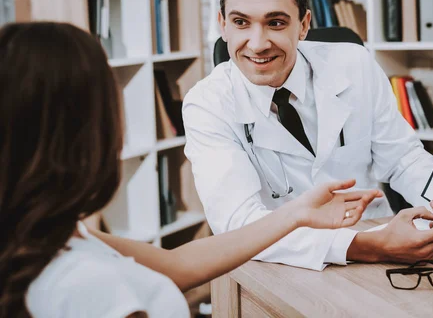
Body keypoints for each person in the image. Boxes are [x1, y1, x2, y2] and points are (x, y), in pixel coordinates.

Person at [0, 22, 381, 317]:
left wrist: (295, 215)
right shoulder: (89, 285)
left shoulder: (39, 236)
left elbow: (177, 264)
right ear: (80, 132)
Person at [182, 0, 433, 271]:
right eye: (241, 22)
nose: (257, 43)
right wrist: (368, 247)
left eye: (275, 23)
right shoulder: (207, 103)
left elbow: (403, 160)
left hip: (378, 240)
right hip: (282, 262)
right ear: (223, 26)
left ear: (303, 25)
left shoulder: (354, 64)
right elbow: (238, 223)